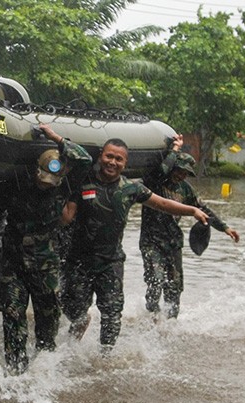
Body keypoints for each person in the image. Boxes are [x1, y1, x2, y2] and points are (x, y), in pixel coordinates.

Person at [61, 138, 210, 352]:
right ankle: (75, 338)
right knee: (74, 312)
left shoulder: (131, 188)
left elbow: (163, 203)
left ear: (125, 163)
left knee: (112, 313)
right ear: (101, 156)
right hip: (79, 260)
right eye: (109, 156)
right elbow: (66, 217)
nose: (112, 162)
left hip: (110, 261)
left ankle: (104, 358)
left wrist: (192, 210)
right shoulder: (82, 181)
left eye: (118, 159)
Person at [0, 124, 92, 374]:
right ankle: (15, 372)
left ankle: (43, 373)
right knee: (11, 313)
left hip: (44, 265)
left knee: (47, 323)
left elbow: (85, 159)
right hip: (13, 262)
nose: (47, 184)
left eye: (52, 180)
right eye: (43, 178)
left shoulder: (64, 186)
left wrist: (56, 138)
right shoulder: (16, 181)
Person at [140, 134, 240, 319]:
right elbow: (161, 171)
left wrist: (225, 228)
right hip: (151, 242)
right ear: (172, 167)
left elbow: (203, 209)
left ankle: (171, 323)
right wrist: (175, 149)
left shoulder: (186, 189)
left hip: (173, 242)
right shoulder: (155, 182)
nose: (181, 175)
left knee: (175, 285)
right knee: (156, 279)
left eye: (185, 173)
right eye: (179, 170)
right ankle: (151, 317)